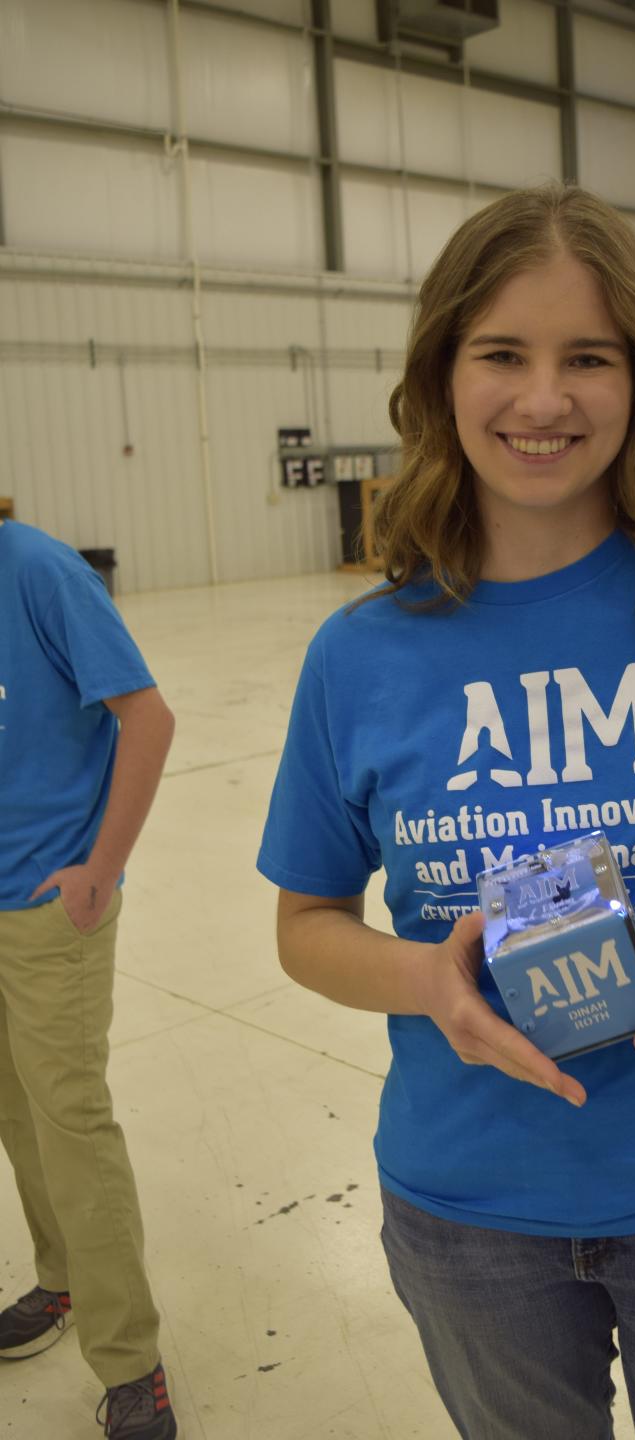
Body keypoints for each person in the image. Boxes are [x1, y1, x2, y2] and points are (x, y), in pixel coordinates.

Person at [257, 183, 635, 1440]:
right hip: (469, 1207)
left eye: (587, 358)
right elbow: (309, 921)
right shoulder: (359, 655)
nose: (543, 401)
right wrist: (431, 986)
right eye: (502, 354)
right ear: (441, 374)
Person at [0, 520, 178, 1440]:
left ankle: (130, 1364)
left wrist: (99, 869)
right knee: (18, 1111)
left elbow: (147, 715)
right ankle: (62, 1275)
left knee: (69, 1115)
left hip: (44, 902)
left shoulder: (37, 570)